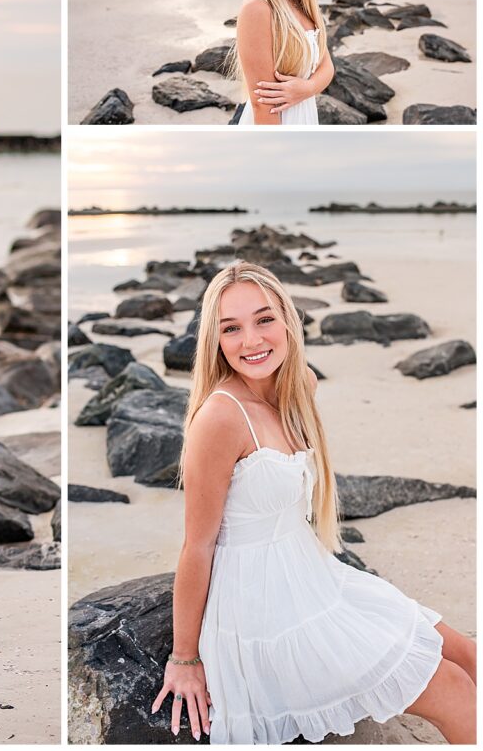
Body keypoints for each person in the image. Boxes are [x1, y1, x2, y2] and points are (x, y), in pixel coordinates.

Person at [152, 262, 476, 743]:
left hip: (315, 577)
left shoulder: (299, 384)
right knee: (453, 689)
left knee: (468, 655)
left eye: (264, 319)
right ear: (214, 339)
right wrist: (185, 659)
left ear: (287, 319)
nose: (251, 341)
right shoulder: (220, 418)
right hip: (266, 608)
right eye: (231, 328)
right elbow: (197, 546)